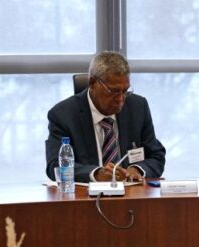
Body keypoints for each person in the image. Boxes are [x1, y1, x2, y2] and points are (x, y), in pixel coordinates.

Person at [45, 51, 166, 183]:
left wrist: (137, 169)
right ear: (92, 83)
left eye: (125, 91)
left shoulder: (137, 107)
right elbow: (56, 166)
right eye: (113, 91)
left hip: (131, 197)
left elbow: (156, 156)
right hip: (85, 199)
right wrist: (96, 174)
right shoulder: (63, 115)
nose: (120, 100)